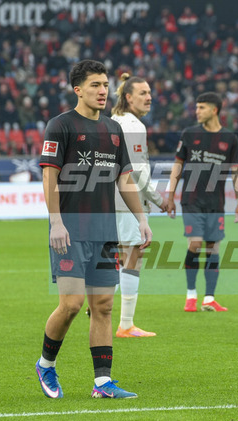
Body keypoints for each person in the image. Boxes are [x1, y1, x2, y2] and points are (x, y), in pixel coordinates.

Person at [36, 59, 151, 400]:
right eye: (95, 85)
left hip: (104, 232)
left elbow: (125, 179)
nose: (103, 91)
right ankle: (45, 364)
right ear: (78, 90)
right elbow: (49, 176)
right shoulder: (60, 125)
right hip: (70, 231)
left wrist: (142, 219)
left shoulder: (113, 129)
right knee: (71, 304)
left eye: (105, 85)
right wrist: (56, 222)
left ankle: (102, 383)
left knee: (102, 306)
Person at [166, 92, 238, 312]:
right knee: (195, 244)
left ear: (214, 110)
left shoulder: (230, 139)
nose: (196, 111)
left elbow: (236, 172)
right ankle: (191, 295)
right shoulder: (189, 134)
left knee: (213, 248)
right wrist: (170, 196)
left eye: (201, 107)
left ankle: (209, 298)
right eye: (196, 107)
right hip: (191, 200)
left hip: (215, 203)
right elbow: (177, 166)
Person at [110, 73, 168, 338]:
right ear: (128, 97)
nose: (149, 97)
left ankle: (100, 303)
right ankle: (126, 324)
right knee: (133, 256)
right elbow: (136, 171)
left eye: (150, 93)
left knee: (119, 257)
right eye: (143, 93)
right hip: (127, 200)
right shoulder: (133, 125)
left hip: (110, 198)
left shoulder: (114, 120)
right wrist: (159, 199)